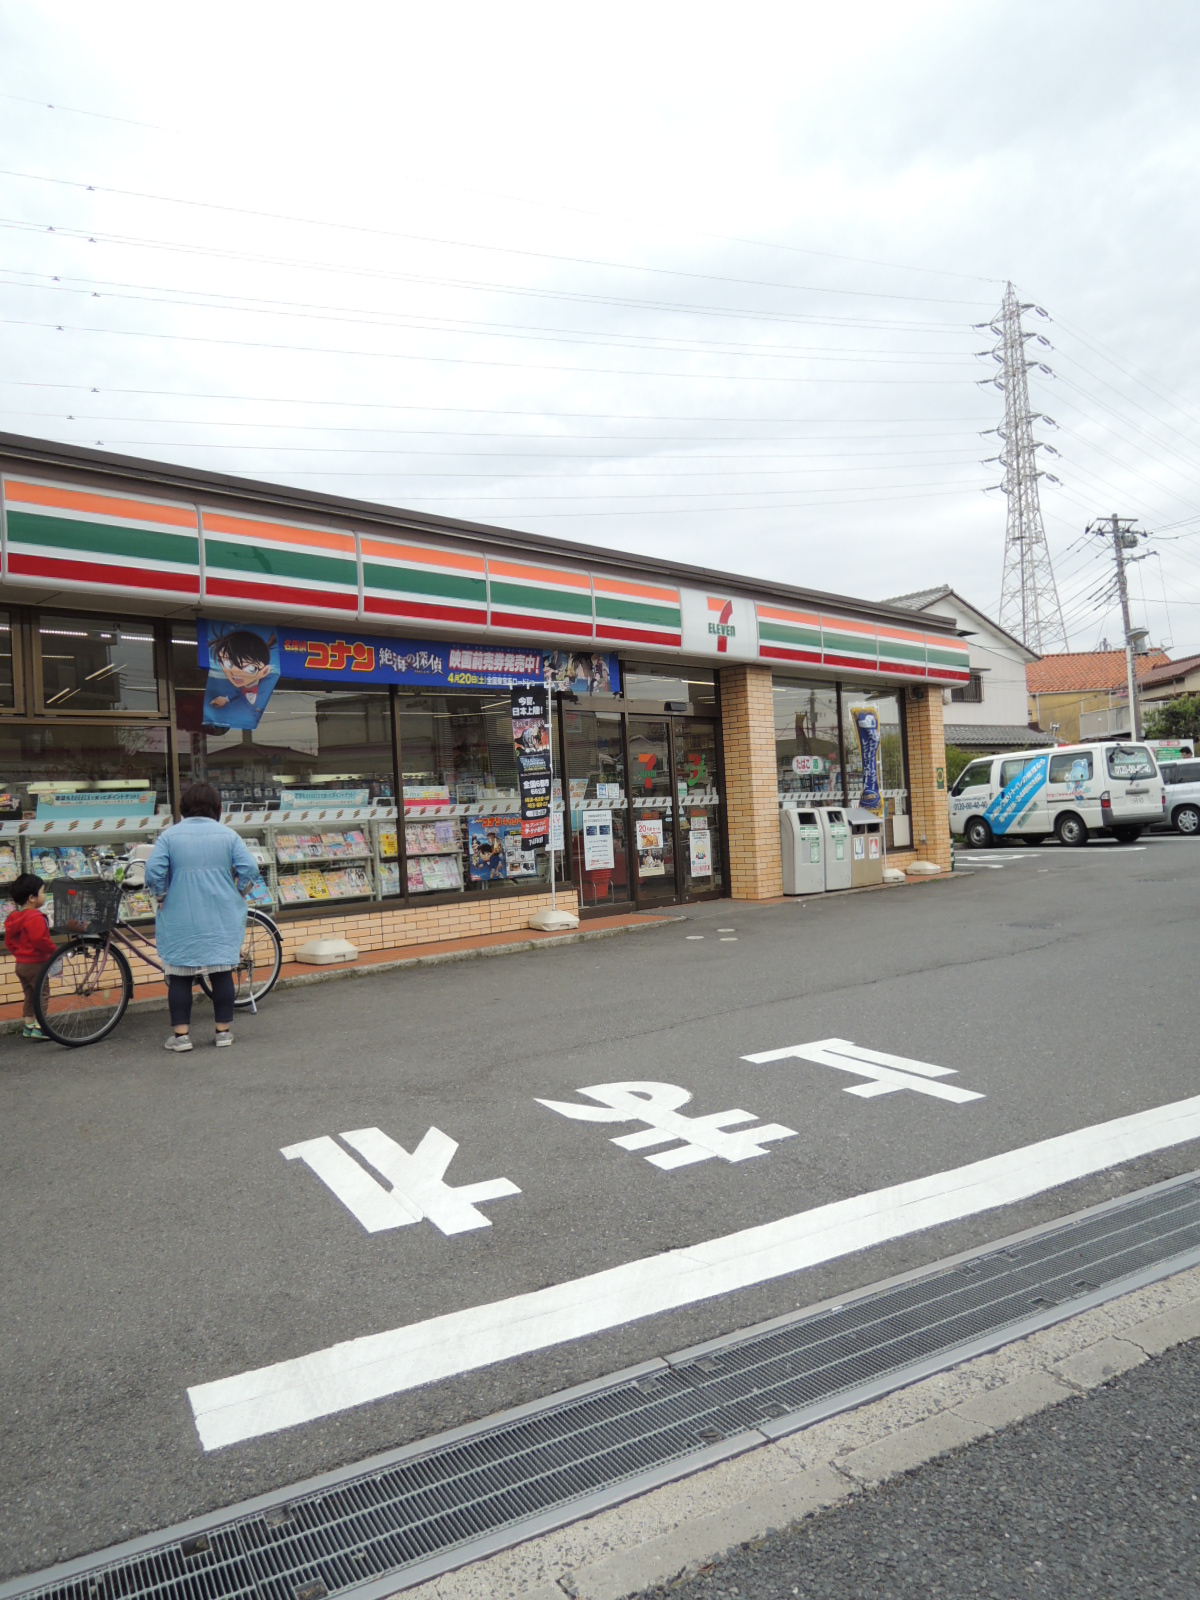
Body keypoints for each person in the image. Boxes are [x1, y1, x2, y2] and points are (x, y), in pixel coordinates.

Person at [143, 781, 261, 1052]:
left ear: (184, 807)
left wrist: (160, 895)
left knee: (179, 974)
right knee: (221, 971)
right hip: (221, 913)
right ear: (217, 808)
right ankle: (223, 1032)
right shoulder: (229, 836)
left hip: (180, 914)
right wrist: (240, 891)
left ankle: (181, 1037)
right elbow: (250, 868)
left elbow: (153, 871)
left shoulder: (169, 837)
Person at [4, 873, 57, 1040]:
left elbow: (9, 941)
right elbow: (39, 940)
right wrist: (53, 950)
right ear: (32, 898)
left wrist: (19, 954)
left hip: (21, 964)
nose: (44, 895)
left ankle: (28, 1025)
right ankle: (41, 1027)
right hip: (36, 963)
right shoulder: (35, 917)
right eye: (42, 892)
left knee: (29, 994)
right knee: (42, 994)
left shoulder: (14, 918)